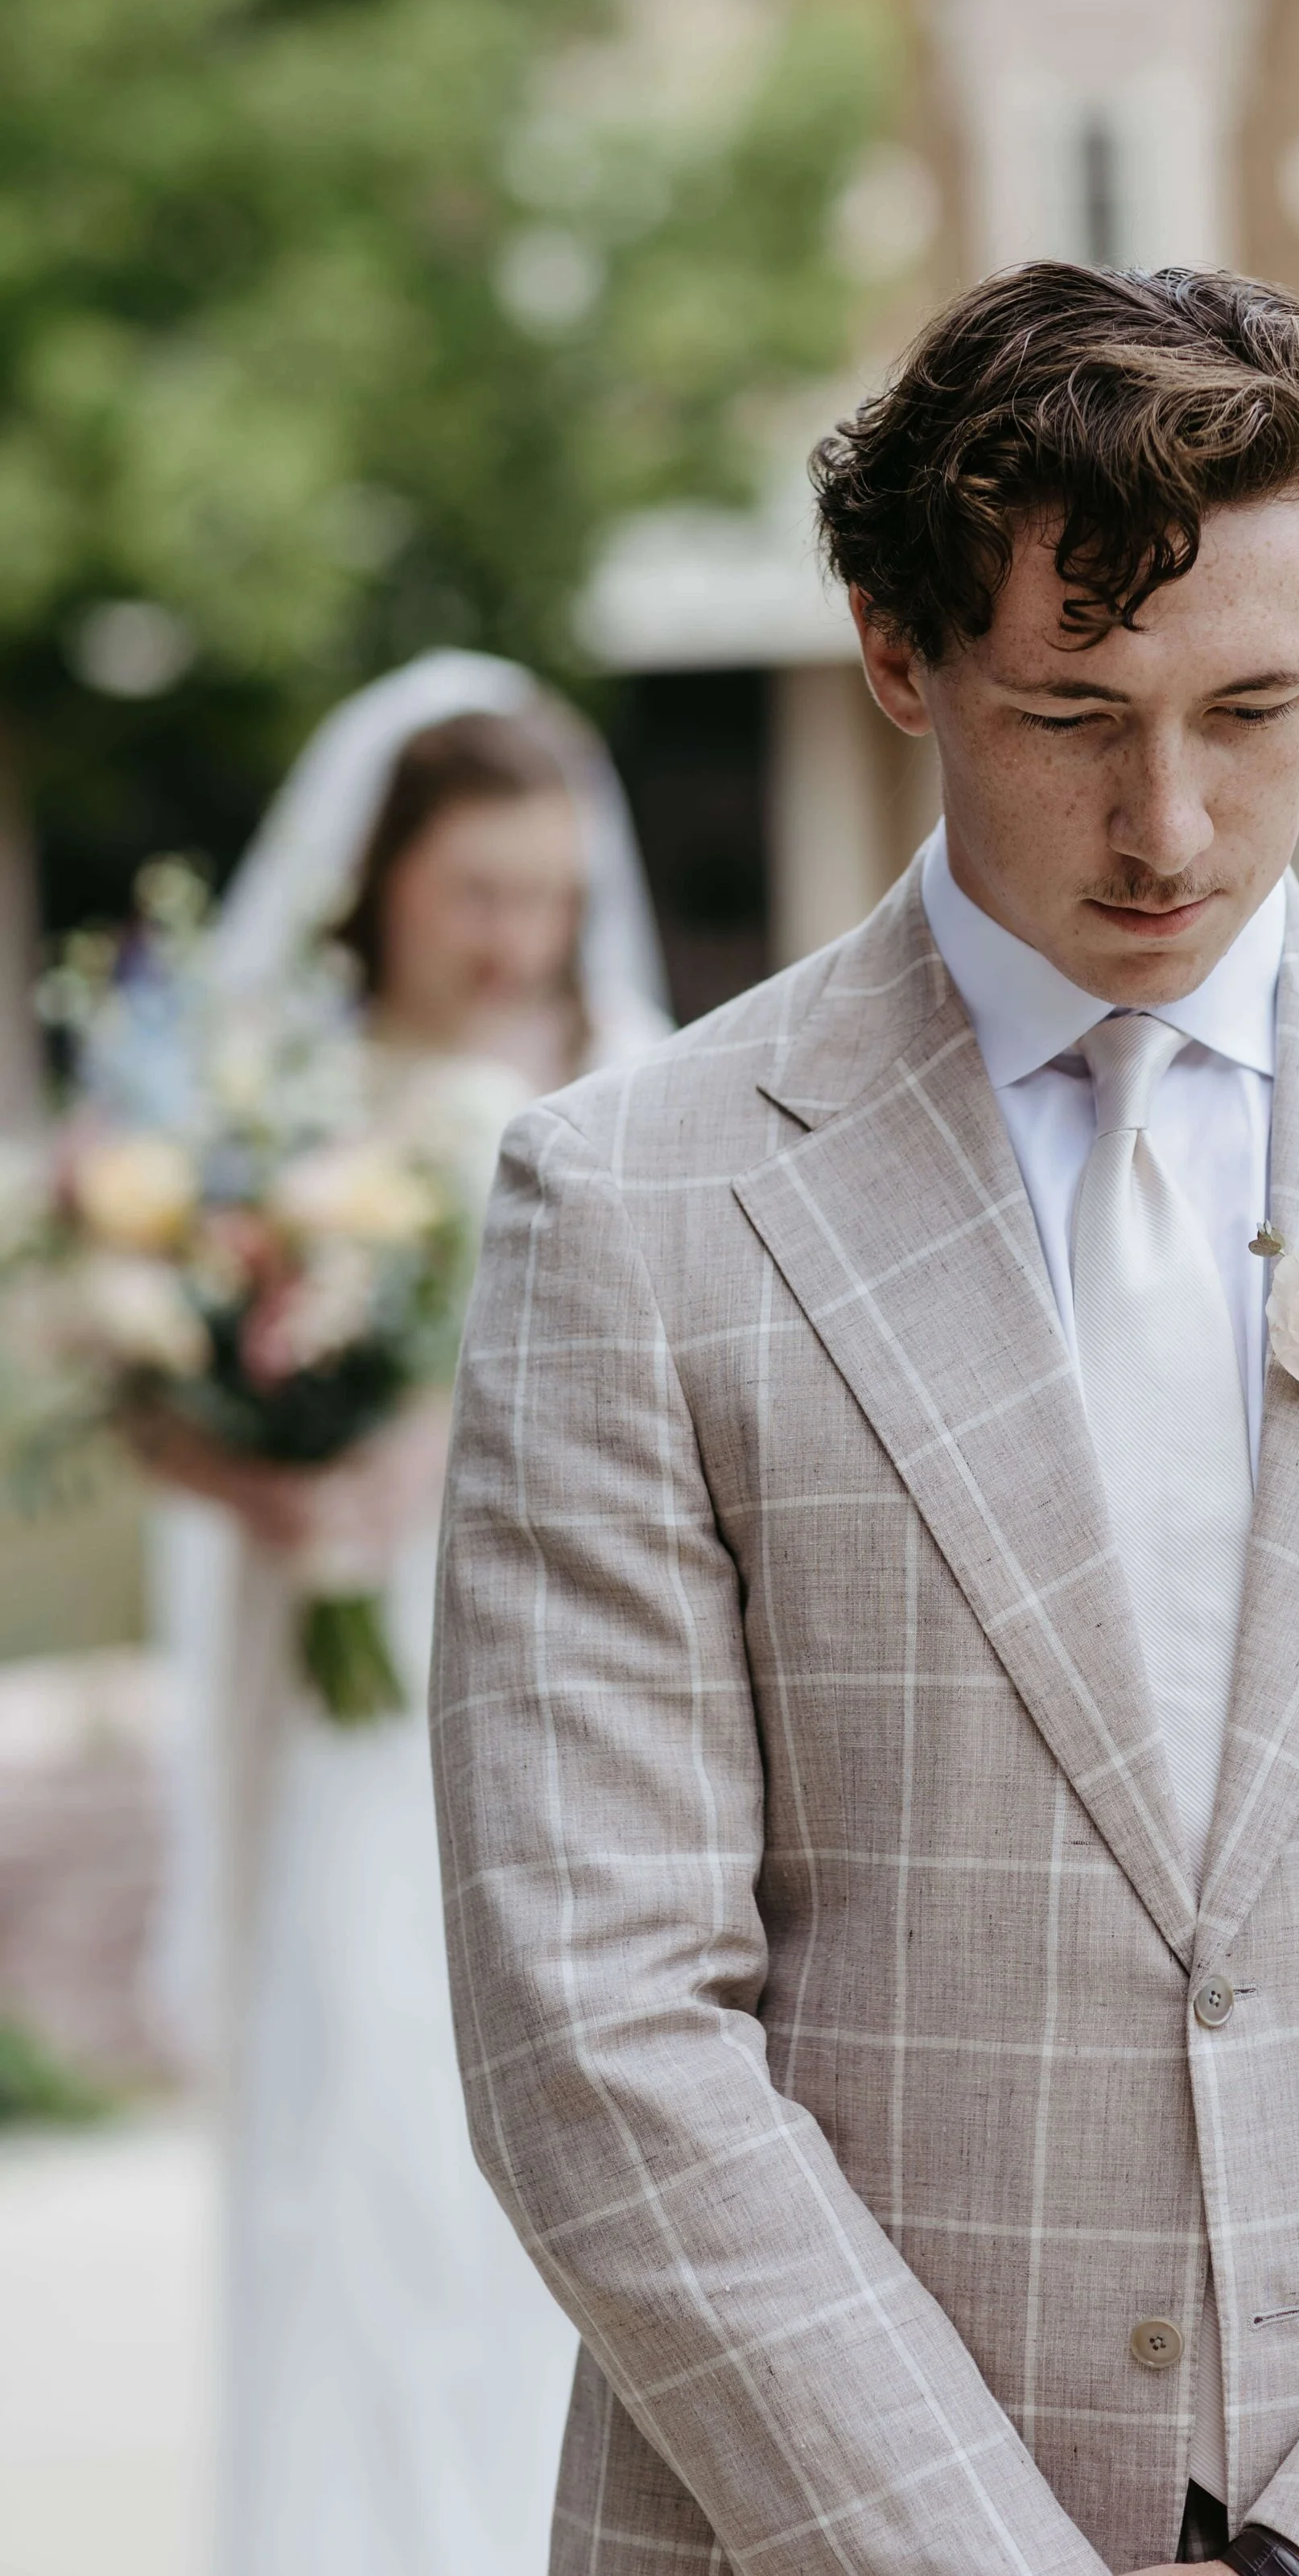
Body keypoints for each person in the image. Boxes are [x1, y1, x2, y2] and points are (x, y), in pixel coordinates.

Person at [433, 269, 1299, 2576]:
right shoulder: (629, 1207)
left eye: (1253, 709)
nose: (1168, 819)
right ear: (897, 654)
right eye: (1071, 711)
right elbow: (596, 2026)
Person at [138, 652, 666, 2576]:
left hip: (566, 1684)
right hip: (352, 1689)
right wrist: (272, 1477)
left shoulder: (622, 1074)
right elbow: (146, 1369)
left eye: (545, 893)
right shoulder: (271, 1087)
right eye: (476, 895)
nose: (516, 938)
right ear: (383, 884)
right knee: (363, 2115)